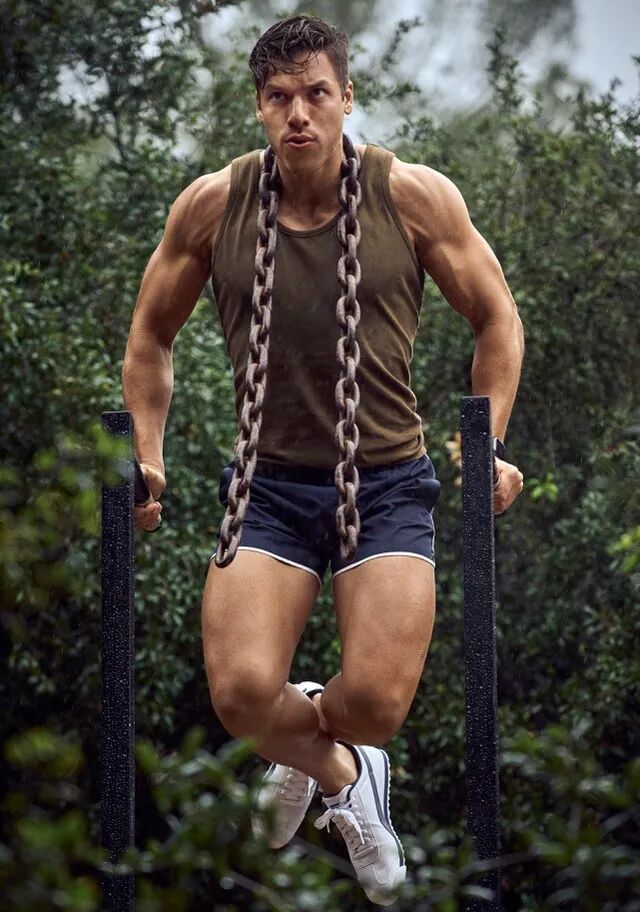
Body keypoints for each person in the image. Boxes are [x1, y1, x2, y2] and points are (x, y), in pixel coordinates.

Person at [122, 14, 525, 906]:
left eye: (315, 94)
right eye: (278, 97)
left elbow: (496, 316)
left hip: (386, 483)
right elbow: (150, 334)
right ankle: (344, 773)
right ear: (259, 107)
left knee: (376, 705)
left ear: (347, 95)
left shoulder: (412, 196)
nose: (298, 114)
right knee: (240, 695)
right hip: (266, 488)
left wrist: (488, 443)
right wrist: (148, 456)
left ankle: (328, 754)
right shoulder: (213, 206)